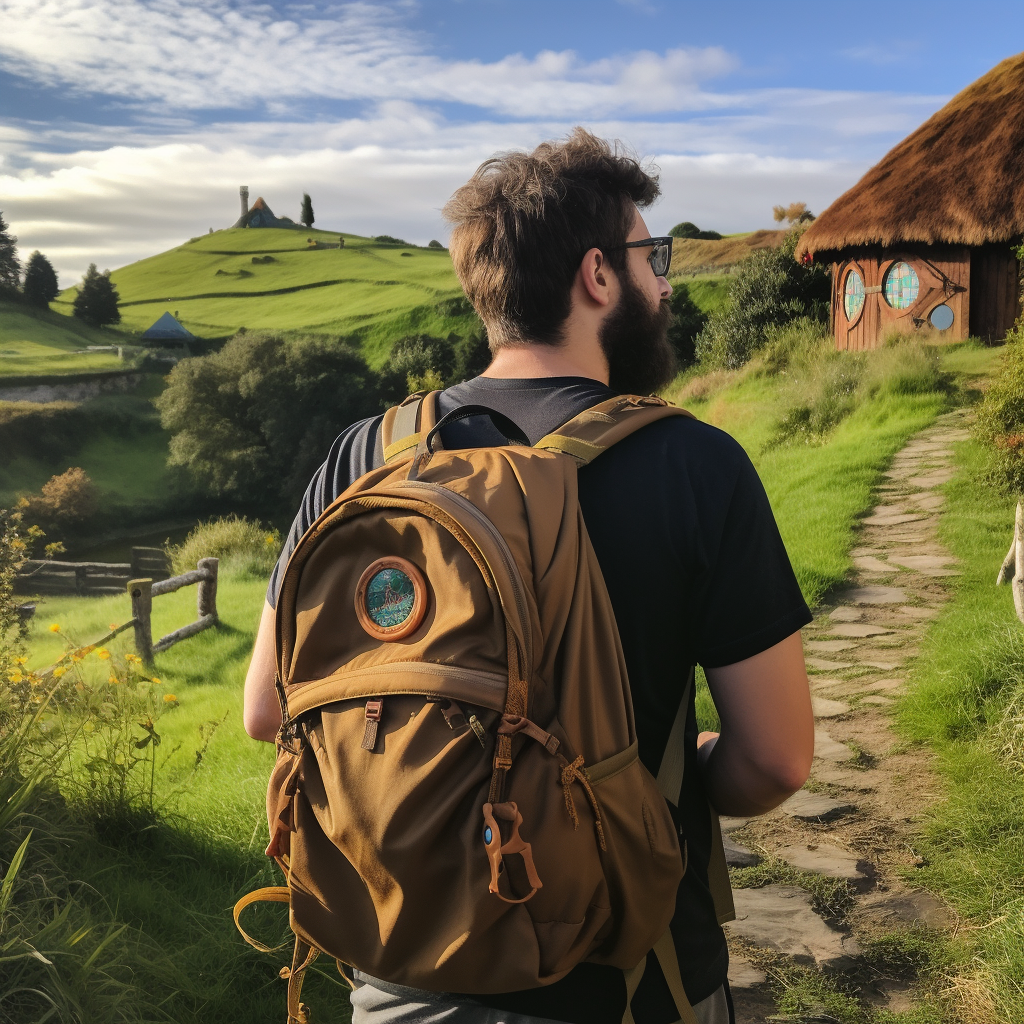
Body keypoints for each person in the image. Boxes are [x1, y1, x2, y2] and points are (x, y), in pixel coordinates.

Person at [244, 127, 814, 1024]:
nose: (664, 283)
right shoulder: (696, 464)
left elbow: (268, 712)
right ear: (597, 276)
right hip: (635, 977)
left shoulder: (362, 456)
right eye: (650, 256)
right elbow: (777, 759)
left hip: (400, 973)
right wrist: (669, 776)